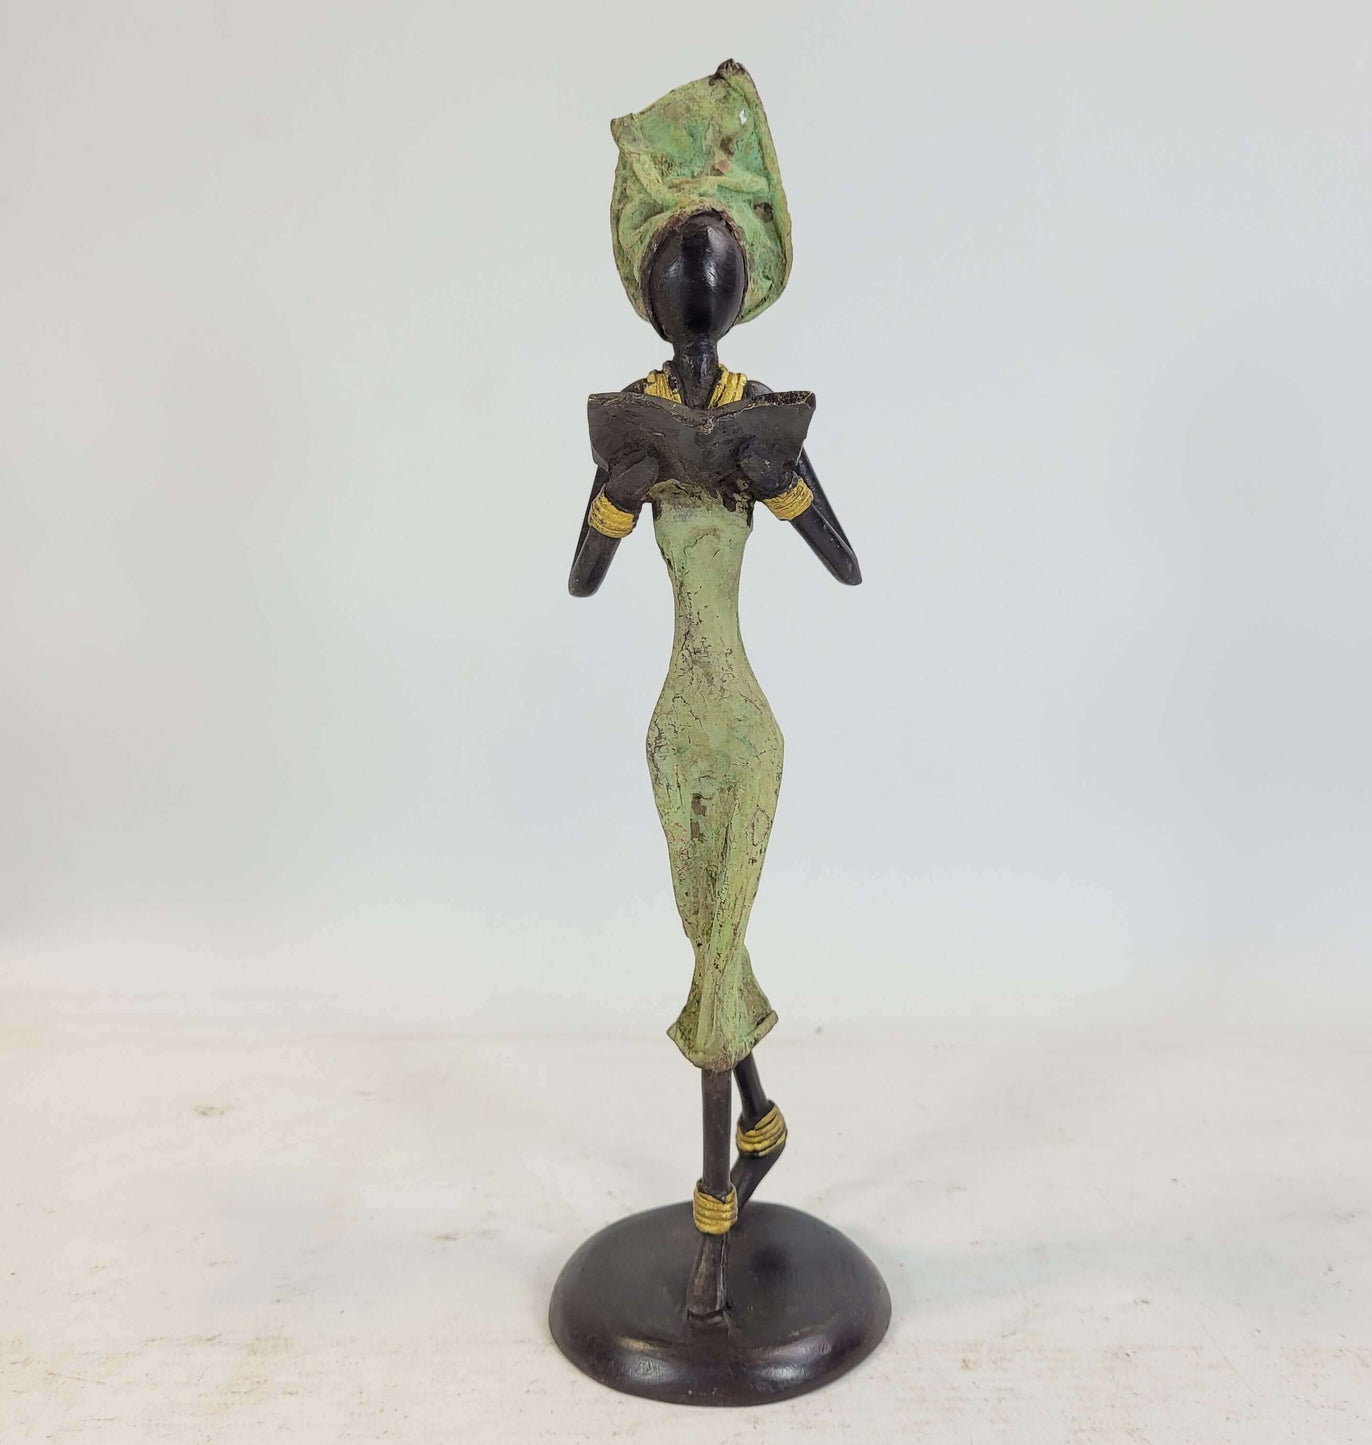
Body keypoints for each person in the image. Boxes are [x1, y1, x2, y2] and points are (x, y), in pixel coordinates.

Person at [568, 66, 860, 1320]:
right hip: (669, 727)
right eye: (678, 277)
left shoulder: (758, 420)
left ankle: (710, 1220)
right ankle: (763, 1119)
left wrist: (779, 485)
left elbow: (845, 562)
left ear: (744, 287)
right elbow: (581, 579)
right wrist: (615, 499)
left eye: (718, 274)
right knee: (707, 942)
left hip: (741, 727)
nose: (698, 297)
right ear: (649, 290)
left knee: (713, 952)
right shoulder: (633, 419)